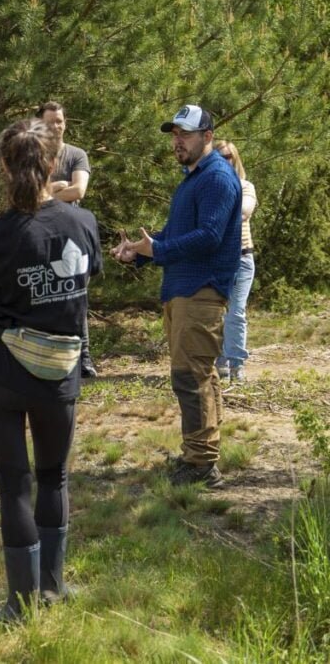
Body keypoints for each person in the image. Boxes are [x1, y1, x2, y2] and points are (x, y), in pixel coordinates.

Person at [0, 118, 101, 624]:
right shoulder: (82, 223)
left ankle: (19, 607)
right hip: (61, 373)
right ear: (52, 164)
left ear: (4, 168)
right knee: (54, 477)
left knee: (14, 485)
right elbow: (82, 291)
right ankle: (53, 588)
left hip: (3, 373)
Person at [113, 105, 241, 488]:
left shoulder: (217, 177)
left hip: (200, 293)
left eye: (185, 134)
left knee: (191, 377)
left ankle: (202, 465)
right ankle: (200, 454)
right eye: (174, 134)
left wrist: (159, 250)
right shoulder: (192, 179)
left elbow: (209, 236)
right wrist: (139, 253)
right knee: (199, 376)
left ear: (207, 136)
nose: (177, 141)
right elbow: (172, 236)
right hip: (183, 291)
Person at [37, 101, 98, 378]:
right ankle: (49, 357)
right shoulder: (31, 156)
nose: (56, 126)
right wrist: (55, 188)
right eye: (49, 122)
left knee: (76, 295)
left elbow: (78, 191)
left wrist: (44, 193)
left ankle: (83, 358)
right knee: (42, 295)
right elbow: (23, 193)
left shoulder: (76, 154)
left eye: (59, 121)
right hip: (39, 234)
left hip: (71, 235)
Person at [213, 140, 257, 382]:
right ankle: (221, 362)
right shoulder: (207, 187)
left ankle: (237, 364)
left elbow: (244, 212)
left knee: (236, 313)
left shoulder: (245, 186)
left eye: (227, 156)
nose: (224, 161)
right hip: (215, 259)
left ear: (235, 159)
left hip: (241, 258)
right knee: (216, 313)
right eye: (219, 157)